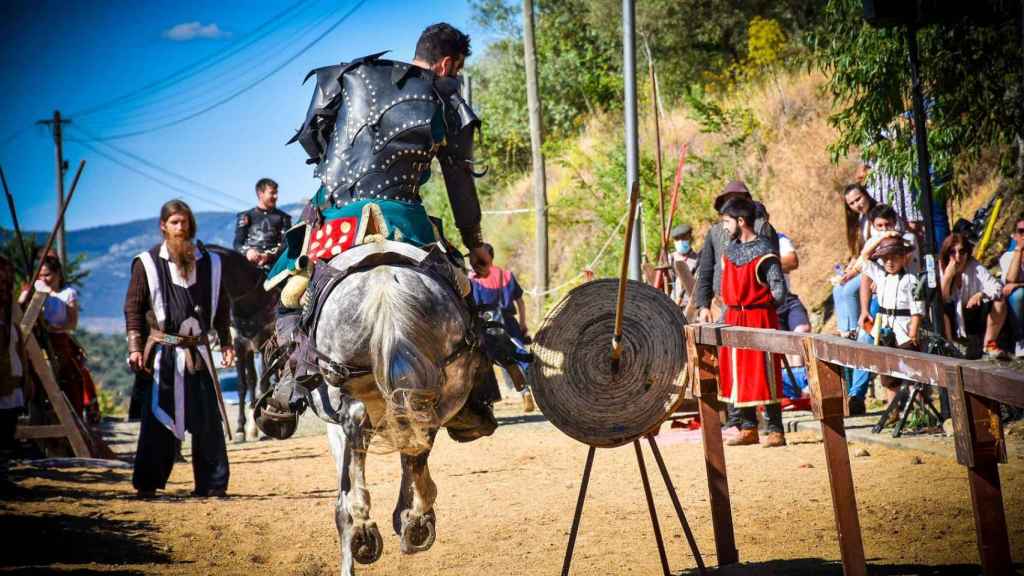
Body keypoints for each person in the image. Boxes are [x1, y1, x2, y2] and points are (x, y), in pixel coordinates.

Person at [261, 23, 521, 435]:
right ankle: (472, 399)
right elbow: (459, 183)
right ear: (449, 63)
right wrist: (474, 244)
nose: (454, 76)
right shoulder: (442, 95)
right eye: (456, 69)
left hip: (334, 220)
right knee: (460, 291)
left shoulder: (348, 78)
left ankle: (286, 383)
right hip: (404, 222)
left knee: (292, 289)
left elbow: (316, 143)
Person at [124, 200, 236, 498]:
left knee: (207, 420)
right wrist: (135, 347)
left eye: (185, 221)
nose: (181, 227)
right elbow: (133, 309)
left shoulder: (210, 263)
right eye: (174, 222)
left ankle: (212, 485)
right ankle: (147, 484)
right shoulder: (146, 263)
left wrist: (226, 342)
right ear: (163, 226)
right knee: (157, 420)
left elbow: (222, 307)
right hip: (163, 355)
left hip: (197, 354)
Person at [716, 197, 788, 448]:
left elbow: (779, 291)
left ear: (740, 221)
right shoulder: (729, 252)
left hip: (759, 317)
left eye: (726, 222)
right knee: (738, 373)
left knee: (764, 372)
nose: (724, 228)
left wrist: (761, 310)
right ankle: (748, 428)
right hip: (734, 317)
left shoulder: (764, 252)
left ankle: (775, 429)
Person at [19, 255, 99, 423]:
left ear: (57, 274)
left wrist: (51, 328)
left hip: (59, 343)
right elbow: (21, 309)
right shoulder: (35, 290)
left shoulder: (68, 294)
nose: (43, 279)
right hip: (36, 343)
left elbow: (71, 324)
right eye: (40, 275)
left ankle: (74, 420)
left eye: (47, 275)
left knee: (71, 379)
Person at [693, 180, 778, 324]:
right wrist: (703, 306)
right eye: (729, 199)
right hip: (721, 307)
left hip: (756, 310)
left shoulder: (763, 229)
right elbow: (706, 271)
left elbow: (774, 275)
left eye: (738, 198)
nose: (733, 202)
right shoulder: (715, 232)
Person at [857, 234, 924, 402]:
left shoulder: (911, 280)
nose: (890, 262)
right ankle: (891, 410)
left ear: (904, 258)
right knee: (888, 374)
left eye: (895, 258)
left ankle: (920, 409)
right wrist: (881, 238)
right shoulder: (880, 276)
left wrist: (913, 332)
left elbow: (917, 308)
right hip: (886, 329)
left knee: (913, 372)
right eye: (886, 258)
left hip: (905, 329)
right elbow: (862, 259)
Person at [468, 244, 533, 411]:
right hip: (509, 322)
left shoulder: (473, 280)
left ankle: (488, 403)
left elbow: (471, 306)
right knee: (518, 356)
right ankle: (528, 392)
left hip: (488, 325)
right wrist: (523, 323)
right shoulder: (506, 275)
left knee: (486, 362)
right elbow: (520, 301)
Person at [939, 233, 1008, 359]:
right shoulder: (942, 267)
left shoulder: (974, 266)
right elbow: (941, 299)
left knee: (999, 301)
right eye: (952, 252)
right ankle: (949, 347)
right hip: (951, 318)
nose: (957, 257)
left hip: (971, 314)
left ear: (967, 253)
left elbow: (997, 287)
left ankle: (989, 344)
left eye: (961, 251)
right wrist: (948, 276)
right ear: (946, 253)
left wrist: (981, 294)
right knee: (939, 309)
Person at [832, 184, 878, 339]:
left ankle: (854, 329)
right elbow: (859, 251)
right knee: (838, 288)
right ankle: (844, 329)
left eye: (858, 199)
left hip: (875, 266)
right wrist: (849, 268)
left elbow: (870, 252)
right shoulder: (862, 218)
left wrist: (852, 273)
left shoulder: (877, 214)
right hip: (864, 265)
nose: (857, 205)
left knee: (849, 289)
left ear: (866, 194)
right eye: (851, 203)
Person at [776, 231, 812, 399]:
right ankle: (793, 389)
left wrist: (765, 262)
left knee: (802, 331)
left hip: (787, 297)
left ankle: (801, 385)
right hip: (767, 303)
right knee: (783, 343)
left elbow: (792, 261)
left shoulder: (779, 238)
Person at [0, 254, 24, 496]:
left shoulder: (9, 316)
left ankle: (4, 478)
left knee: (7, 436)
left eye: (7, 283)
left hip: (12, 382)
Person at [234, 178, 291, 270]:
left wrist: (269, 256)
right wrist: (248, 252)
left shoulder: (283, 218)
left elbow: (287, 244)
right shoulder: (245, 216)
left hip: (275, 267)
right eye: (272, 193)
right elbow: (237, 243)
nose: (276, 196)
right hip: (248, 267)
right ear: (261, 193)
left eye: (276, 193)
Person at [999, 217, 1024, 357]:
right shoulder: (1007, 257)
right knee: (1018, 294)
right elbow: (1009, 281)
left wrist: (1019, 284)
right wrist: (1019, 251)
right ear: (1015, 236)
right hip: (1015, 306)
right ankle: (1020, 340)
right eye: (1021, 231)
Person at [669, 223, 699, 308]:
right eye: (677, 239)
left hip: (692, 306)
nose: (680, 242)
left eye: (684, 238)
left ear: (690, 238)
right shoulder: (670, 258)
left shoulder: (698, 259)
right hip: (674, 304)